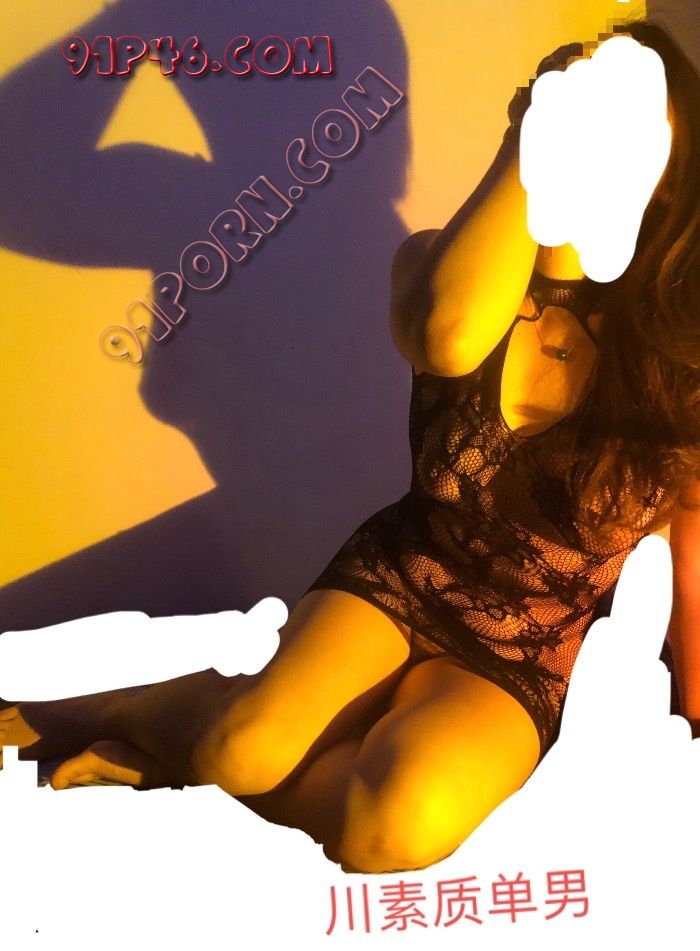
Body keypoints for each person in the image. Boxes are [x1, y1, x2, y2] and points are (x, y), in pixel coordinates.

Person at [1, 19, 699, 875]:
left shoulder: (676, 357)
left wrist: (696, 700)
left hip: (523, 645)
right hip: (400, 578)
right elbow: (447, 338)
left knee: (385, 832)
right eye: (575, 119)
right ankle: (143, 710)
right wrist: (529, 140)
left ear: (669, 180)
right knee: (238, 749)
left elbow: (693, 526)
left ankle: (184, 746)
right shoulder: (434, 267)